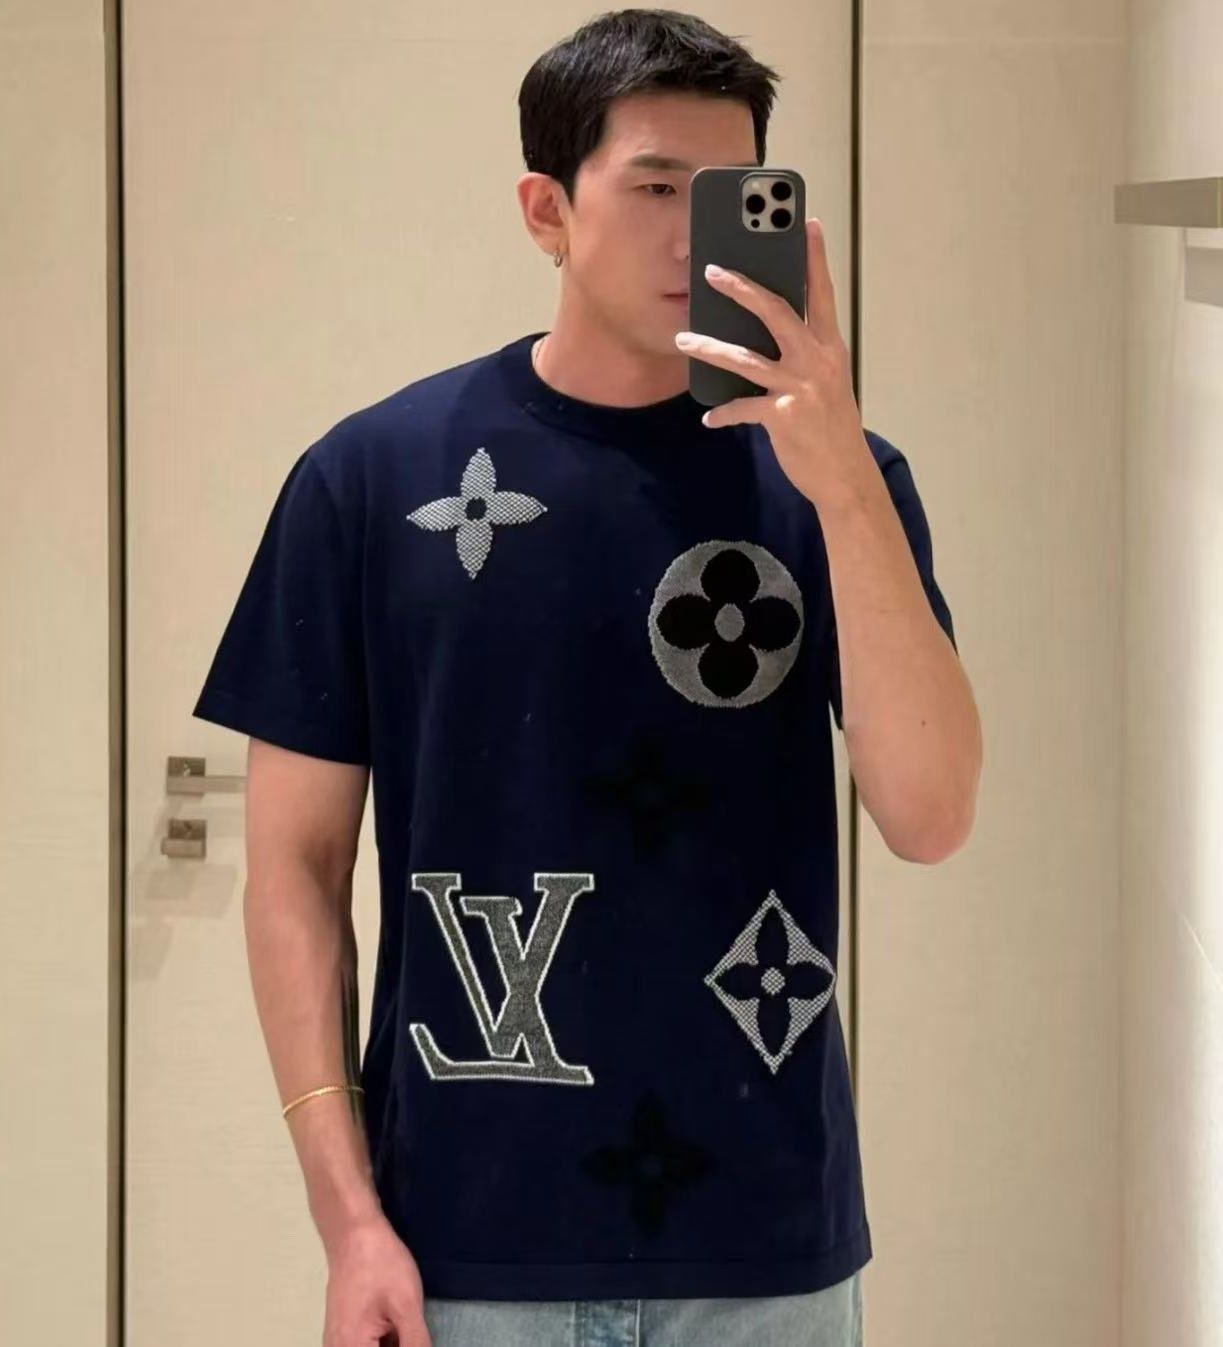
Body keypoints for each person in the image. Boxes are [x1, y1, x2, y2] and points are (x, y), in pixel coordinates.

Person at [192, 9, 981, 1346]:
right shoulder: (372, 478)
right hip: (459, 1242)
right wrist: (348, 1223)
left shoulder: (839, 483)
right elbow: (295, 873)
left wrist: (842, 478)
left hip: (765, 1248)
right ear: (546, 212)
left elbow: (931, 814)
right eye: (656, 188)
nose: (694, 238)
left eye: (729, 197)